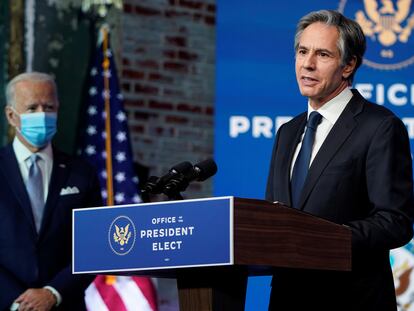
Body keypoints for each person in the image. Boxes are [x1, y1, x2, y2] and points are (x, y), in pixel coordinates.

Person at [265, 10, 414, 311]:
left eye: (322, 54)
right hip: (287, 298)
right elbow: (275, 216)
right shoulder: (287, 132)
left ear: (348, 65)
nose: (307, 64)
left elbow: (394, 221)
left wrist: (322, 239)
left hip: (350, 298)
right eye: (302, 51)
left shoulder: (379, 126)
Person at [0, 72, 102, 310]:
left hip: (64, 304)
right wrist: (17, 301)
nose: (42, 115)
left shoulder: (81, 173)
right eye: (32, 108)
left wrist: (53, 292)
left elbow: (95, 245)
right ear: (11, 115)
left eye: (48, 107)